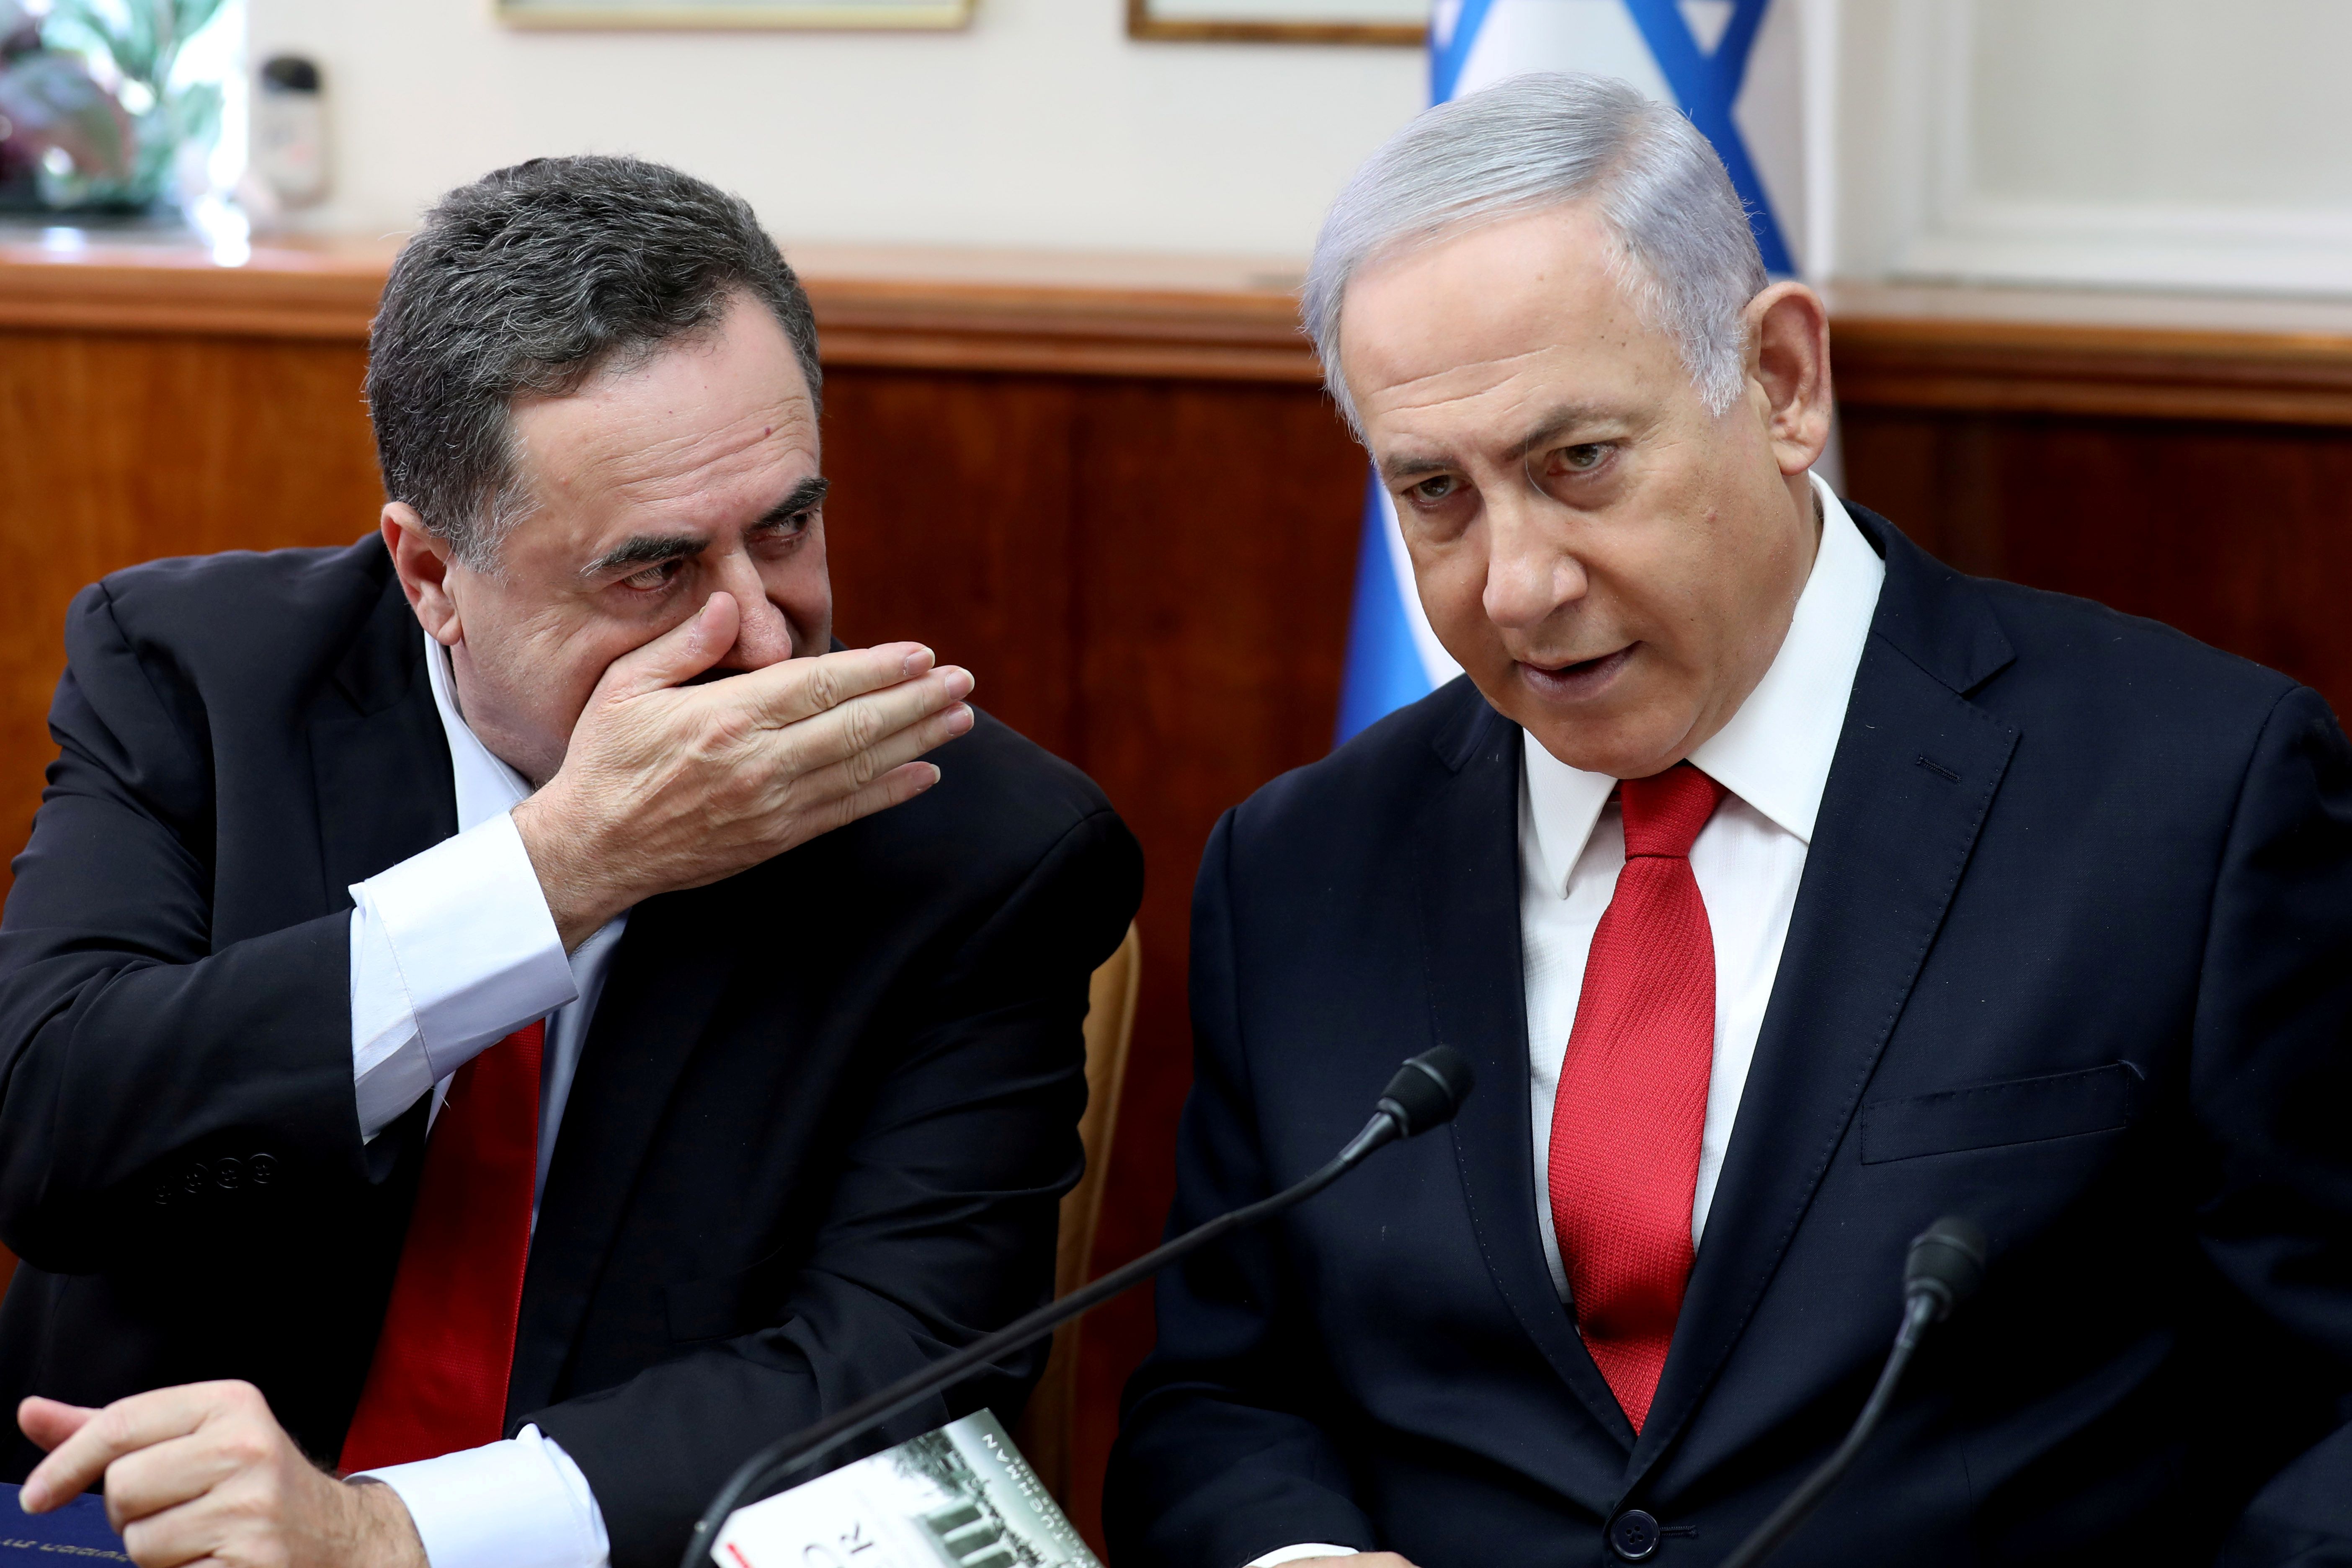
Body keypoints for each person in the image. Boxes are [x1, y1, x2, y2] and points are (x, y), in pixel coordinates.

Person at [1107, 73, 2352, 1568]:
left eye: (1580, 464)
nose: (1514, 587)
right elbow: (1224, 1400)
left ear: (1780, 381)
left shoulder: (2192, 798)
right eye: (1435, 493)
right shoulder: (1301, 868)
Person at [0, 155, 1141, 1568]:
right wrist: (550, 877)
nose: (764, 636)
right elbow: (51, 1127)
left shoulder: (971, 848)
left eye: (785, 528)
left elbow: (898, 1372)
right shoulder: (197, 677)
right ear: (432, 578)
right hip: (134, 1540)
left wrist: (389, 1532)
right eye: (652, 572)